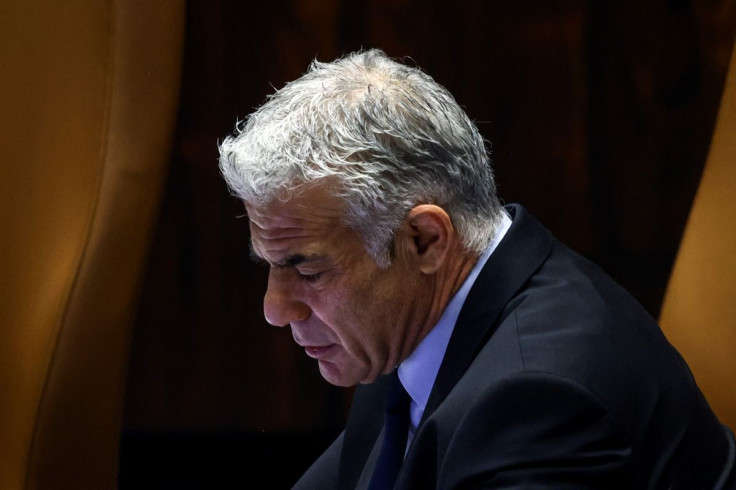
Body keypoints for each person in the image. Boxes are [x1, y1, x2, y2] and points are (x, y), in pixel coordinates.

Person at [218, 49, 735, 489]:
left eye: (307, 271)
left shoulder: (538, 400)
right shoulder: (414, 317)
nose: (274, 310)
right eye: (267, 265)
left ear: (425, 240)